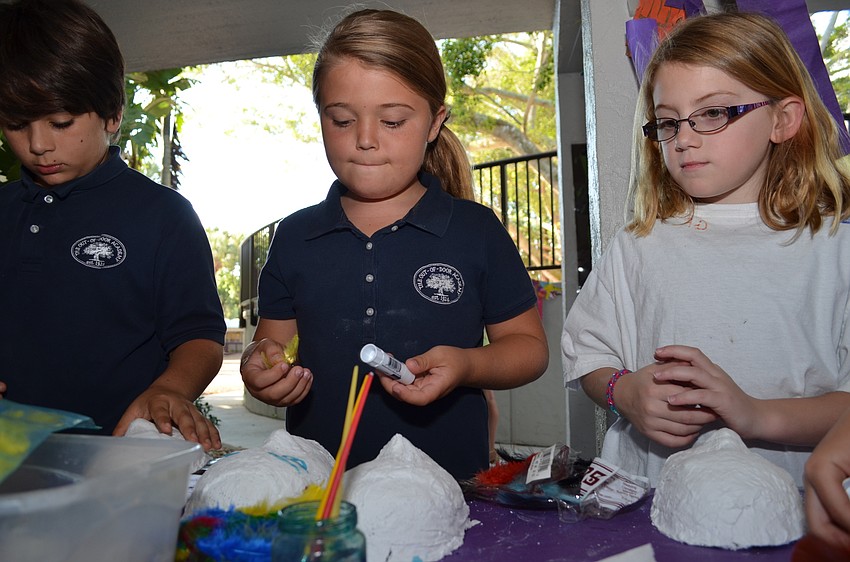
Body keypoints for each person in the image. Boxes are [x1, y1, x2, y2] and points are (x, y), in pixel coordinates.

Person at [240, 8, 548, 481]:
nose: (365, 140)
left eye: (393, 121)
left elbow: (529, 349)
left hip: (449, 487)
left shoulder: (476, 230)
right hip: (322, 489)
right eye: (342, 120)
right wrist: (260, 370)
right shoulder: (296, 237)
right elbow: (270, 343)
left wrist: (467, 365)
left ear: (433, 122)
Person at [561, 10, 850, 488]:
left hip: (796, 507)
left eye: (714, 112)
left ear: (783, 118)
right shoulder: (639, 244)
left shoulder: (835, 249)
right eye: (668, 122)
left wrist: (754, 415)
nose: (685, 139)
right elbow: (589, 356)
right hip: (652, 498)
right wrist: (624, 392)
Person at [0, 0, 226, 450]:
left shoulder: (164, 216)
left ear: (112, 114)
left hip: (120, 458)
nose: (39, 144)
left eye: (61, 122)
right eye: (16, 124)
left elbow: (199, 337)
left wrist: (171, 389)